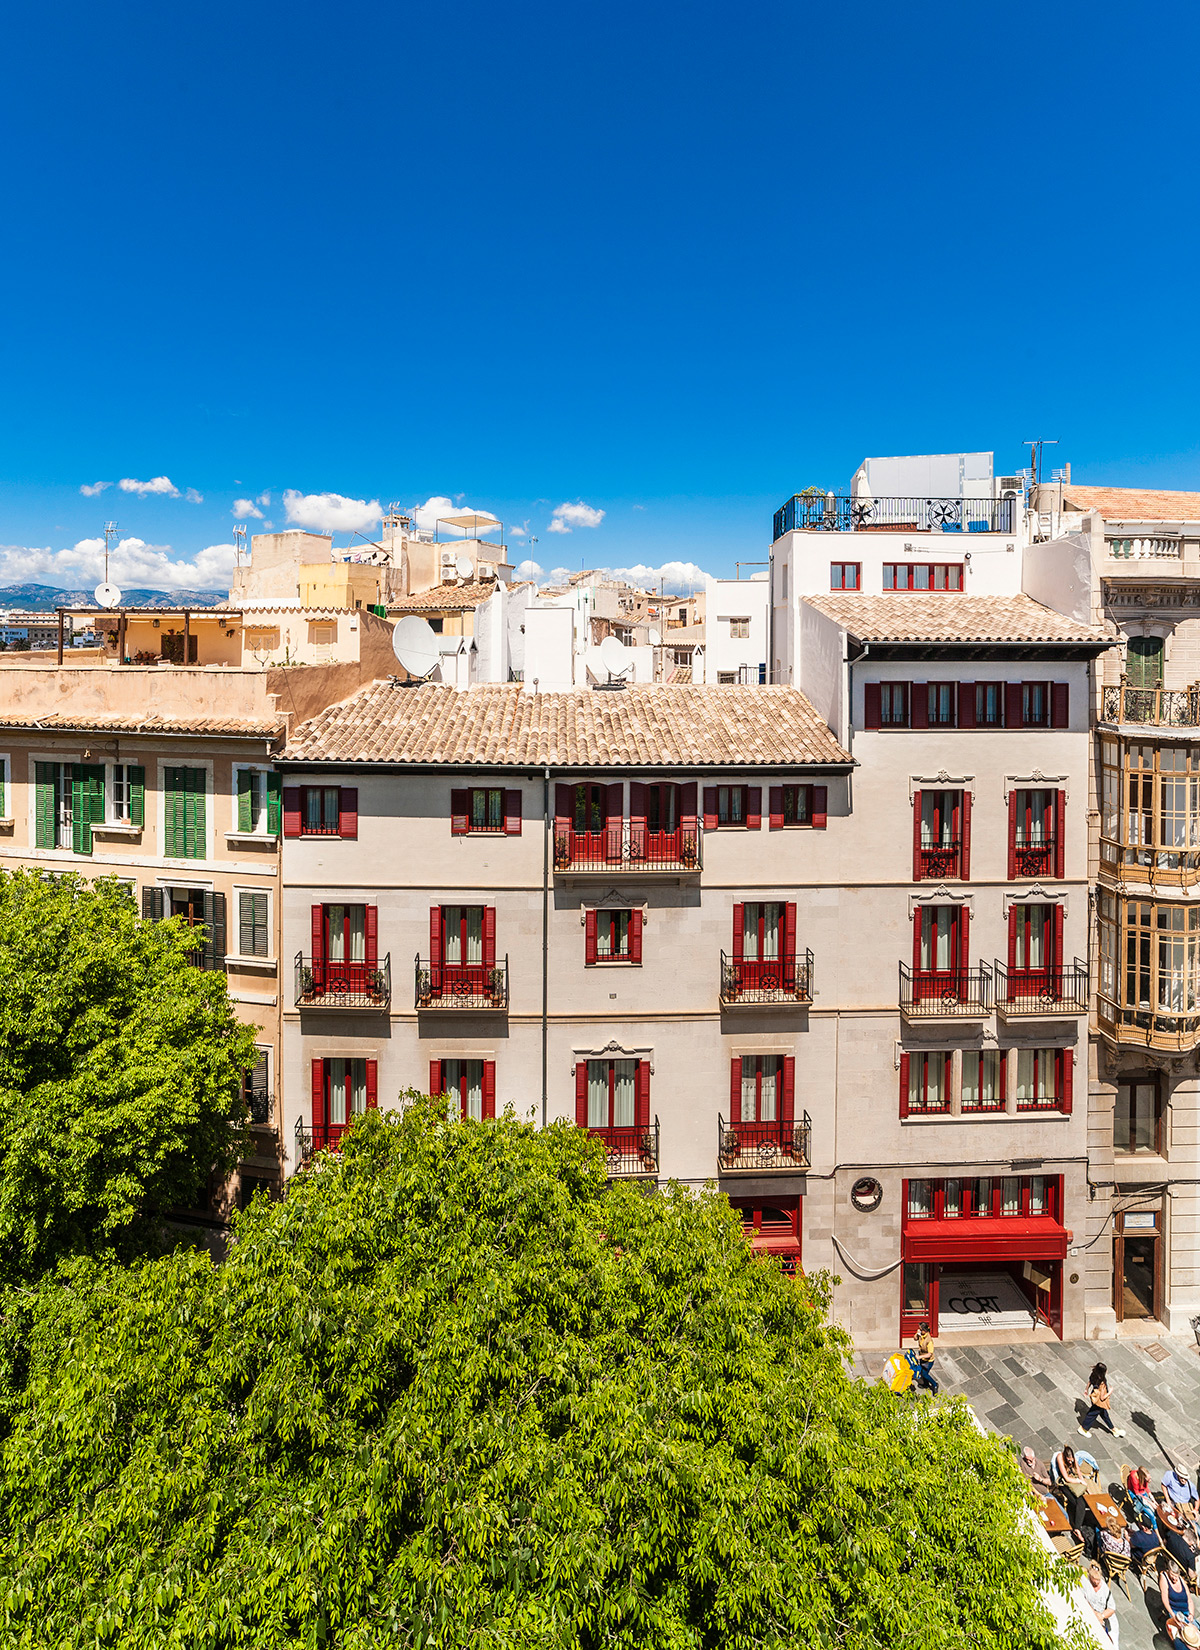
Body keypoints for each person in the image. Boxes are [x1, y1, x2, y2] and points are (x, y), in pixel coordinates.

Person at [1080, 1362, 1126, 1438]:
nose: (1106, 1372)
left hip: (1094, 1397)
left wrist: (1086, 1390)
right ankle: (1083, 1429)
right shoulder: (1101, 1382)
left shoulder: (1093, 1375)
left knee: (1104, 1414)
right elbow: (1102, 1397)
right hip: (1099, 1401)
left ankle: (1113, 1429)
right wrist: (1110, 1392)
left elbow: (1090, 1382)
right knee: (1092, 1415)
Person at [1081, 1560, 1119, 1645]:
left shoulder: (1105, 1589)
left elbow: (1112, 1608)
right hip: (1091, 1613)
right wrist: (1094, 1613)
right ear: (1090, 1576)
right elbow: (1082, 1598)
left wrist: (1101, 1616)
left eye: (1098, 1580)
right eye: (1095, 1580)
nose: (1097, 1582)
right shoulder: (1084, 1581)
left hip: (1105, 1619)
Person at [1161, 1559, 1194, 1642]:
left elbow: (1189, 1600)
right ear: (1168, 1571)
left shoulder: (1181, 1580)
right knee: (1186, 1634)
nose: (1175, 1578)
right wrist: (1173, 1615)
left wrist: (1191, 1614)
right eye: (1172, 1575)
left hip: (1186, 1610)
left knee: (1195, 1630)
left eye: (1177, 1576)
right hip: (1175, 1610)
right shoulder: (1164, 1577)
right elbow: (1165, 1600)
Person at [911, 1321, 938, 1394]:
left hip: (928, 1361)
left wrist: (919, 1357)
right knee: (923, 1372)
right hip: (922, 1359)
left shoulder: (929, 1341)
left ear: (925, 1330)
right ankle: (925, 1384)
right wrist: (917, 1333)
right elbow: (915, 1338)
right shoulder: (921, 1335)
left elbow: (929, 1354)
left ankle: (934, 1385)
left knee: (924, 1374)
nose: (919, 1330)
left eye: (920, 1329)